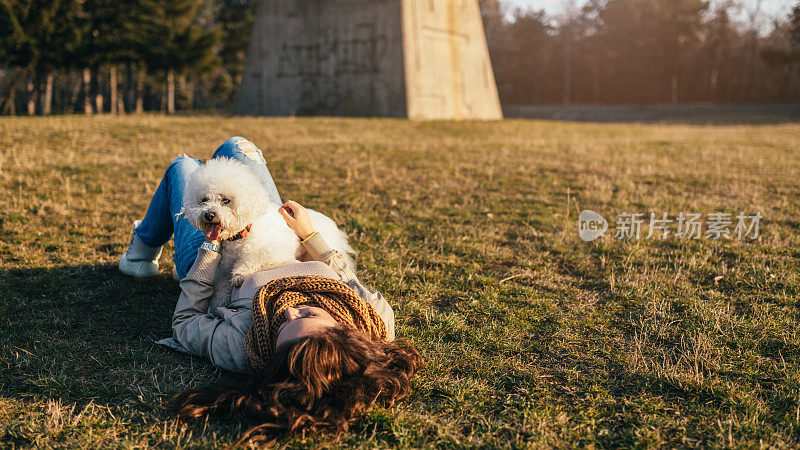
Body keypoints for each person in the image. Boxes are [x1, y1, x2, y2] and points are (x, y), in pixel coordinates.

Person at [118, 137, 422, 445]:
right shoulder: (372, 319)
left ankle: (139, 255)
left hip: (213, 258)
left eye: (283, 327)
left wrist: (210, 247)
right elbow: (344, 275)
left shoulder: (241, 347)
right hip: (276, 233)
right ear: (343, 330)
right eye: (306, 314)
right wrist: (309, 234)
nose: (289, 310)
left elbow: (185, 323)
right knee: (237, 147)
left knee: (182, 167)